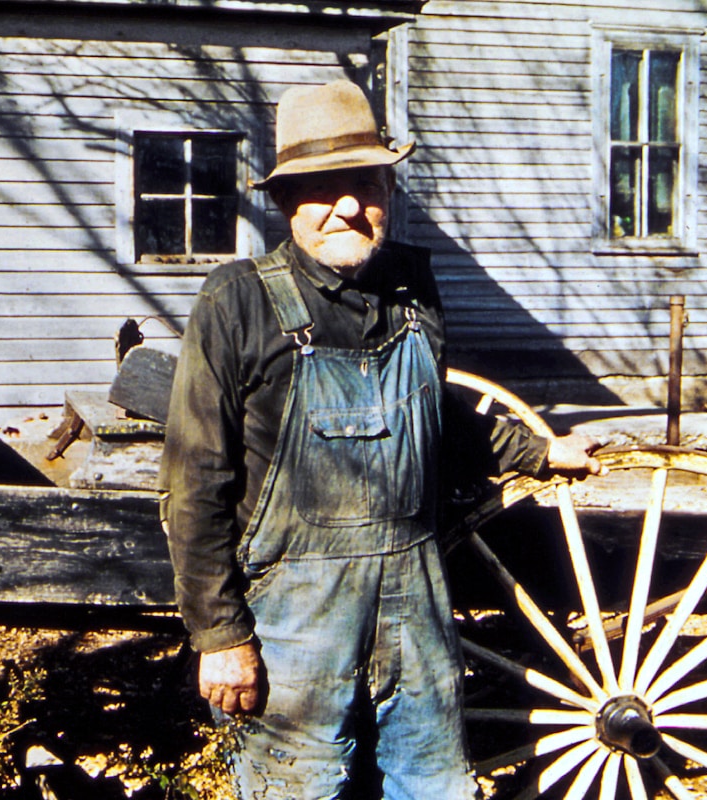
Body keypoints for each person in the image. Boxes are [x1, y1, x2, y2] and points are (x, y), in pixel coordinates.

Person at [158, 80, 603, 800]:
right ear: (284, 202)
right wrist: (220, 636)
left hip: (415, 604)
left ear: (387, 193)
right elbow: (195, 483)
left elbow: (434, 418)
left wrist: (536, 450)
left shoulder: (412, 291)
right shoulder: (235, 301)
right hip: (293, 620)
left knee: (433, 785)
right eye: (320, 189)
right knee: (299, 789)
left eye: (364, 186)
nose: (345, 208)